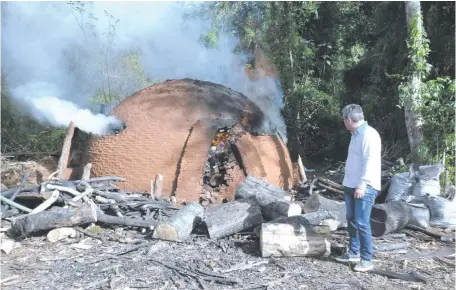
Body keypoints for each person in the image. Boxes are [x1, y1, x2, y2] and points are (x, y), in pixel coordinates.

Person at [335, 104, 381, 272]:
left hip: (364, 186)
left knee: (362, 222)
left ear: (348, 119)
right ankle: (354, 253)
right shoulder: (355, 135)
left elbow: (370, 162)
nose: (343, 123)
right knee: (352, 220)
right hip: (351, 185)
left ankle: (367, 259)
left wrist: (362, 185)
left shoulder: (369, 135)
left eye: (343, 120)